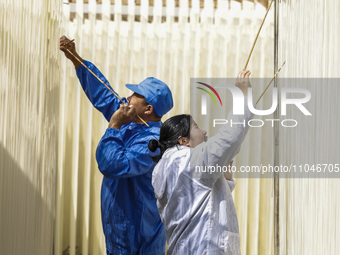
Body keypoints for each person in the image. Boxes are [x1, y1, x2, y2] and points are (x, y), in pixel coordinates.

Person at [59, 35, 173, 255]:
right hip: (122, 230)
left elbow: (112, 164)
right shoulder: (135, 123)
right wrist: (77, 60)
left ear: (148, 109)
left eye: (133, 96)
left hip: (137, 236)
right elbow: (104, 94)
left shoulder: (153, 143)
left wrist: (114, 125)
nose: (127, 98)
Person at [148, 70, 253, 255]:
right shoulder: (186, 160)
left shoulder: (167, 166)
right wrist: (243, 95)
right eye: (196, 127)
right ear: (183, 140)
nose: (204, 132)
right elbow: (229, 138)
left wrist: (225, 179)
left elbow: (199, 201)